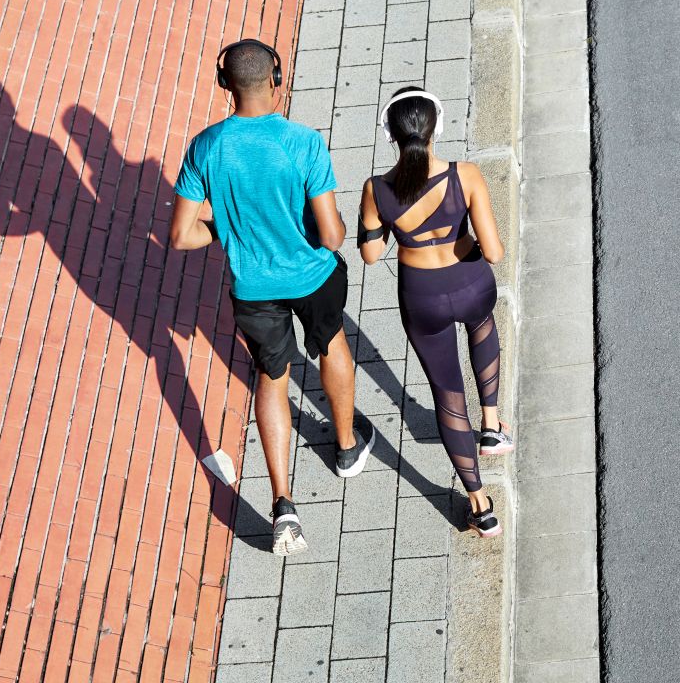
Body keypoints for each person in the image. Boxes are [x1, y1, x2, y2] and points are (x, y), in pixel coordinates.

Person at [169, 39, 372, 556]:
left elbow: (181, 236)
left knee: (272, 378)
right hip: (312, 277)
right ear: (276, 78)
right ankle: (347, 448)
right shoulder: (303, 143)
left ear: (224, 83)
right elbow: (330, 236)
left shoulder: (205, 148)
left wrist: (227, 229)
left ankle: (283, 505)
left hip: (253, 290)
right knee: (333, 347)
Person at [357, 86, 511, 537]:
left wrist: (386, 226)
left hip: (421, 295)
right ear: (437, 128)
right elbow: (496, 253)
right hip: (469, 282)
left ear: (390, 135)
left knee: (447, 393)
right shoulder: (466, 175)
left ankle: (480, 506)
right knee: (483, 329)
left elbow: (370, 254)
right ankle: (492, 426)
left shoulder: (376, 189)